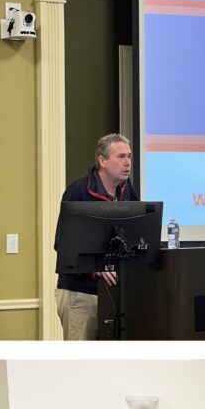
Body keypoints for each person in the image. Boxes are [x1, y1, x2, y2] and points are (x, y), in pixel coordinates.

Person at [54, 133, 137, 341]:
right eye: (120, 157)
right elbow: (62, 243)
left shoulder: (127, 192)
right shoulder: (78, 192)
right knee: (80, 363)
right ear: (103, 161)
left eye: (129, 156)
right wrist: (96, 267)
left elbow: (136, 231)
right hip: (81, 293)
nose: (127, 162)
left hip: (117, 296)